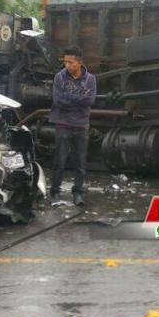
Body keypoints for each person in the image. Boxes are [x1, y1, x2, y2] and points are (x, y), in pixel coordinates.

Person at [49, 45, 97, 206]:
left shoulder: (90, 79)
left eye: (71, 62)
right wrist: (78, 99)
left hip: (81, 125)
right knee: (59, 161)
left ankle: (78, 193)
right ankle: (55, 192)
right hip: (62, 123)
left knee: (80, 163)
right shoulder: (59, 77)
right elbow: (58, 101)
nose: (67, 66)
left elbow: (89, 101)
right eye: (65, 62)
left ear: (80, 62)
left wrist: (69, 98)